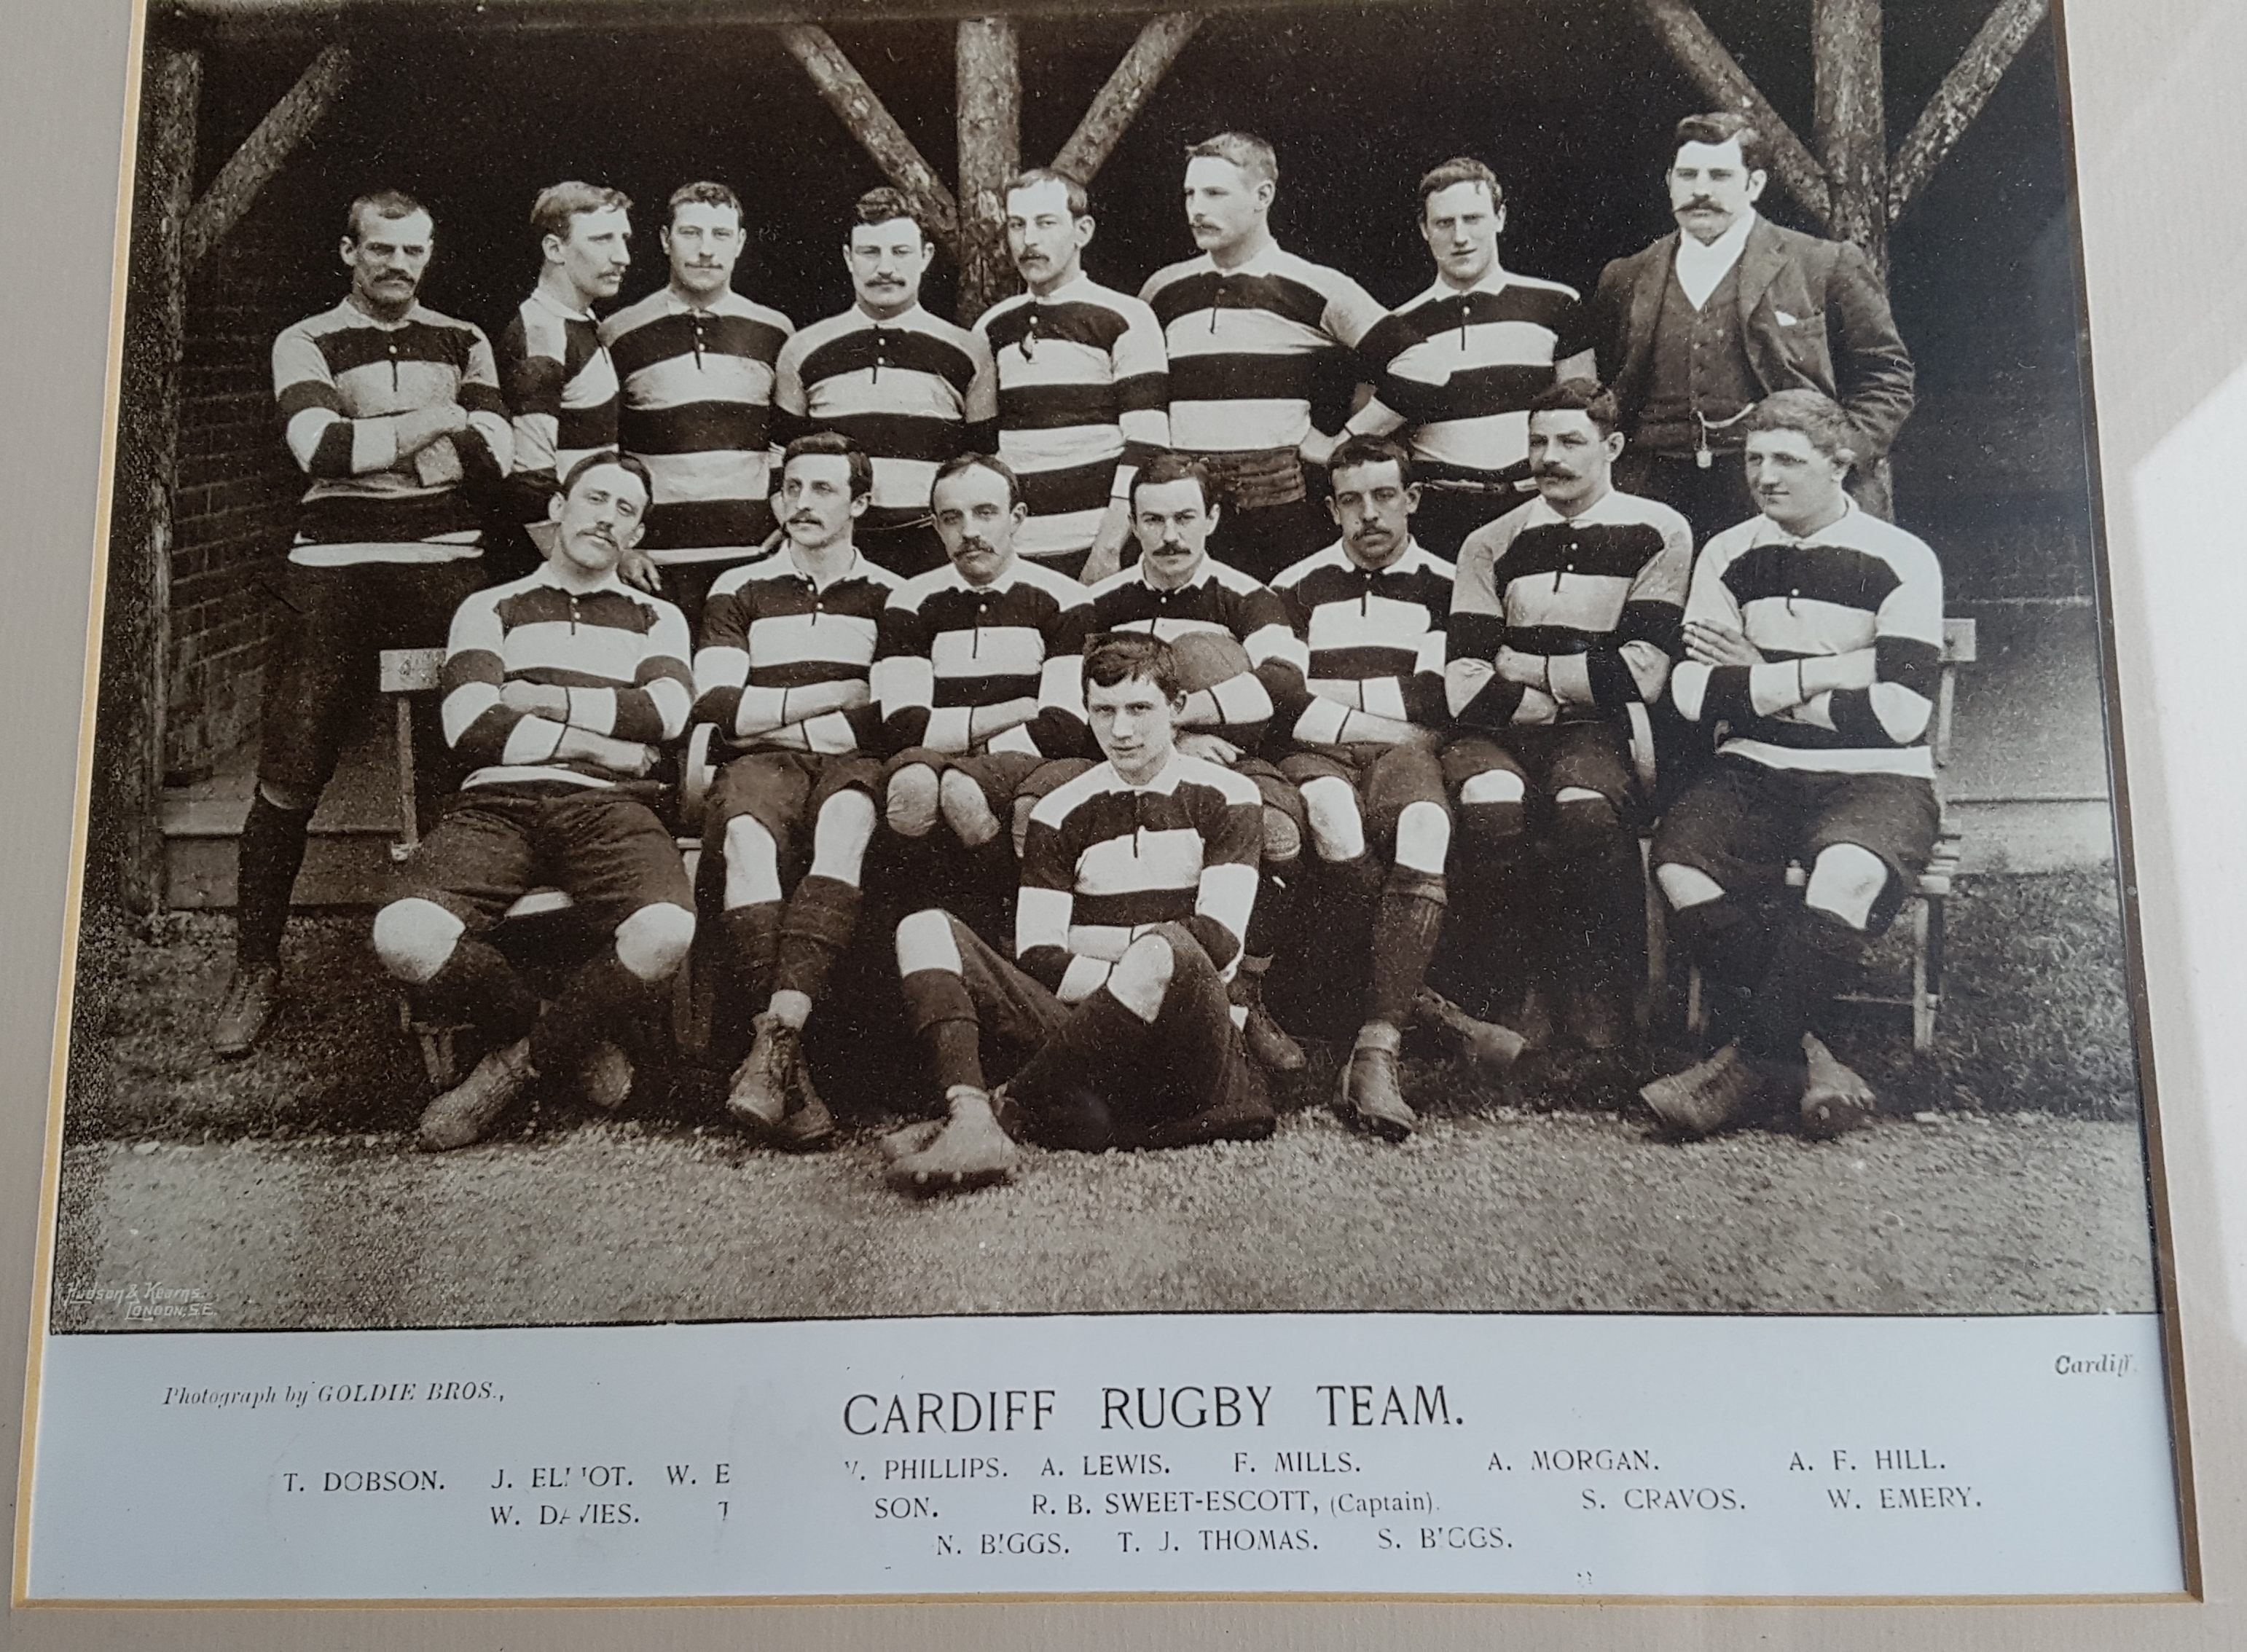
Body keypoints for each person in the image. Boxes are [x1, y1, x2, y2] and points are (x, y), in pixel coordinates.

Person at [211, 188, 514, 1058]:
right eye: (382, 249)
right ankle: (256, 965)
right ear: (350, 252)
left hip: (445, 560)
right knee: (294, 756)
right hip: (332, 568)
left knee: (472, 753)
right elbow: (321, 450)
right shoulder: (303, 338)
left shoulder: (466, 338)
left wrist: (390, 438)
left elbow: (491, 461)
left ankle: (469, 959)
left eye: (415, 251)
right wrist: (439, 422)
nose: (400, 265)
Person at [371, 452, 697, 1152]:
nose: (607, 518)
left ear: (637, 534)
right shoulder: (489, 607)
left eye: (626, 511)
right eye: (595, 499)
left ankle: (509, 1070)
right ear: (558, 508)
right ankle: (565, 1038)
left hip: (609, 809)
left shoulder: (658, 618)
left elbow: (666, 713)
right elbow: (471, 724)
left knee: (666, 931)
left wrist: (544, 701)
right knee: (403, 934)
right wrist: (607, 745)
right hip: (496, 805)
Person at [1644, 390, 1942, 1141]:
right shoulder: (1728, 552)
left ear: (1840, 464)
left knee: (1849, 872)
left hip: (1879, 774)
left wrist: (1763, 675)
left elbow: (1902, 713)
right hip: (1754, 767)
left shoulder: (1903, 557)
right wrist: (1830, 671)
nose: (1766, 476)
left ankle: (1744, 1068)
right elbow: (1693, 690)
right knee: (1682, 865)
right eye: (1755, 459)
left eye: (1788, 460)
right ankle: (1811, 1059)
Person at [885, 634, 1274, 1196]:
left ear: (1177, 708)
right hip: (1086, 1038)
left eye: (1141, 709)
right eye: (1104, 711)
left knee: (1165, 949)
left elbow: (1217, 942)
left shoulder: (1229, 796)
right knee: (922, 927)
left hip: (1188, 1042)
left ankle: (1008, 1107)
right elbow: (1039, 956)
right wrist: (1126, 989)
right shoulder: (1059, 810)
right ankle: (970, 1115)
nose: (1121, 731)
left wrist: (1138, 969)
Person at [1271, 436, 1516, 1140]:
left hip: (1401, 755)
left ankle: (1376, 1045)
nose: (1368, 515)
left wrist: (1334, 700)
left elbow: (1440, 696)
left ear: (1412, 499)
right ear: (1332, 508)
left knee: (1425, 827)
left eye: (1384, 496)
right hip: (1318, 757)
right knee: (1328, 811)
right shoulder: (1294, 586)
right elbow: (1283, 698)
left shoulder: (1449, 585)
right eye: (1351, 500)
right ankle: (1428, 1012)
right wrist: (1384, 714)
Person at [1444, 380, 1690, 1053]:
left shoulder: (1659, 530)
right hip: (1496, 732)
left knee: (1584, 807)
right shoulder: (1489, 542)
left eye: (1570, 442)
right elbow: (1466, 680)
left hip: (1597, 735)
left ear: (1611, 446)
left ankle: (1596, 987)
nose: (1548, 457)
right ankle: (1514, 989)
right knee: (1491, 805)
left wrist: (1529, 667)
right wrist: (1564, 686)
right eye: (1538, 442)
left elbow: (1643, 672)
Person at [1578, 111, 1915, 551]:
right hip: (1652, 490)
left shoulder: (1822, 264)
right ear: (1669, 182)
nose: (1701, 191)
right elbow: (1604, 386)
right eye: (1687, 175)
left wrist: (1839, 455)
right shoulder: (1625, 277)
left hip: (1776, 490)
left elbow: (1886, 376)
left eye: (1719, 175)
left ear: (1754, 185)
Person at [691, 433, 898, 1148]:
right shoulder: (735, 587)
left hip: (845, 766)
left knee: (845, 819)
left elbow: (886, 716)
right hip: (763, 770)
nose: (801, 504)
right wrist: (833, 693)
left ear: (861, 503)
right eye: (791, 488)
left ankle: (776, 1056)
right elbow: (717, 707)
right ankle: (787, 1065)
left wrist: (775, 717)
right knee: (746, 838)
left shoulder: (889, 595)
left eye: (824, 490)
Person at [1078, 452, 1312, 1072]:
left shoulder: (1247, 595)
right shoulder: (1099, 602)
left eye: (1185, 517)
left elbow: (1284, 683)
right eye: (1152, 520)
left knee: (1278, 826)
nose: (1170, 536)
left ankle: (1245, 993)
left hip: (1234, 755)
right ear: (1132, 522)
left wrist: (1182, 717)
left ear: (1212, 517)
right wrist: (1169, 744)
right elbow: (1072, 700)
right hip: (1122, 758)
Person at [1141, 132, 1430, 585]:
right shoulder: (1163, 291)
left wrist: (1342, 442)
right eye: (1190, 194)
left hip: (1277, 511)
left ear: (1263, 195)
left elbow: (1420, 365)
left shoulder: (1313, 285)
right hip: (1188, 513)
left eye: (1215, 193)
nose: (1197, 208)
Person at [872, 454, 1094, 919]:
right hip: (939, 759)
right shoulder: (910, 601)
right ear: (936, 527)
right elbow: (902, 726)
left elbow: (1063, 726)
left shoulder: (1066, 599)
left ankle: (1005, 925)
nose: (969, 530)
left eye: (985, 513)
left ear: (1016, 519)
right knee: (912, 786)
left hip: (1027, 764)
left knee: (961, 791)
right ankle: (916, 929)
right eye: (952, 518)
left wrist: (967, 751)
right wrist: (1016, 707)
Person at [773, 188, 998, 578]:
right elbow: (780, 458)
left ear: (925, 256)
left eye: (900, 252)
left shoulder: (968, 350)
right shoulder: (804, 348)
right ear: (849, 258)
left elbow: (983, 465)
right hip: (836, 551)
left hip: (932, 551)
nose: (885, 268)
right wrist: (791, 527)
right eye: (870, 252)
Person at [603, 181, 796, 634]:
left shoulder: (776, 331)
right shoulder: (618, 332)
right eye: (691, 234)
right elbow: (603, 452)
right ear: (666, 240)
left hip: (753, 559)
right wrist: (621, 549)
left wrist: (788, 522)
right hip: (654, 568)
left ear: (741, 243)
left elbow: (788, 444)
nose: (706, 250)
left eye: (721, 235)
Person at [1376, 157, 1583, 559]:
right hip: (1441, 518)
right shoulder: (1395, 327)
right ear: (1424, 229)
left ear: (1500, 218)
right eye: (1444, 223)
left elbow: (1583, 417)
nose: (1460, 237)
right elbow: (1381, 438)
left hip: (1537, 507)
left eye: (1473, 219)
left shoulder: (1556, 303)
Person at [975, 168, 1170, 585]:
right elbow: (985, 450)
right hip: (1017, 556)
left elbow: (1147, 443)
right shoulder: (991, 327)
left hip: (1098, 552)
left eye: (1046, 223)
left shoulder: (1126, 316)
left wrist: (1108, 549)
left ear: (1082, 231)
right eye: (1017, 224)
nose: (1029, 240)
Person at [495, 181, 635, 583]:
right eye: (602, 240)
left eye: (623, 239)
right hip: (555, 567)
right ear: (555, 249)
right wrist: (576, 573)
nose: (622, 256)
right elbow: (530, 478)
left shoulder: (580, 323)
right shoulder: (543, 332)